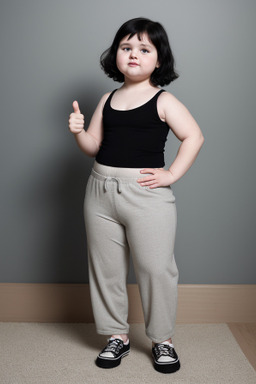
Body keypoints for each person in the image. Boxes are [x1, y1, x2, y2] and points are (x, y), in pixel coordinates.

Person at [69, 17, 204, 374]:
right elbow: (93, 146)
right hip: (99, 190)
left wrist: (172, 173)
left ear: (158, 60)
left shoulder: (164, 100)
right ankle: (117, 335)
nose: (133, 54)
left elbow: (194, 137)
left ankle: (162, 340)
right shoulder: (107, 98)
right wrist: (79, 132)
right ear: (116, 54)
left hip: (145, 195)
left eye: (144, 49)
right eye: (126, 47)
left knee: (155, 269)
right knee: (106, 269)